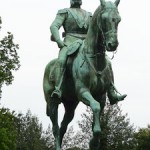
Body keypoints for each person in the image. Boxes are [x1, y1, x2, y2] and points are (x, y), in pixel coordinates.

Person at [50, 0, 126, 104]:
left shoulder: (89, 15)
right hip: (69, 42)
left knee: (107, 62)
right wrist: (59, 41)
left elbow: (96, 29)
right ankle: (58, 89)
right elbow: (54, 26)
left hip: (87, 42)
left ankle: (111, 92)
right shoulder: (64, 12)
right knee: (61, 60)